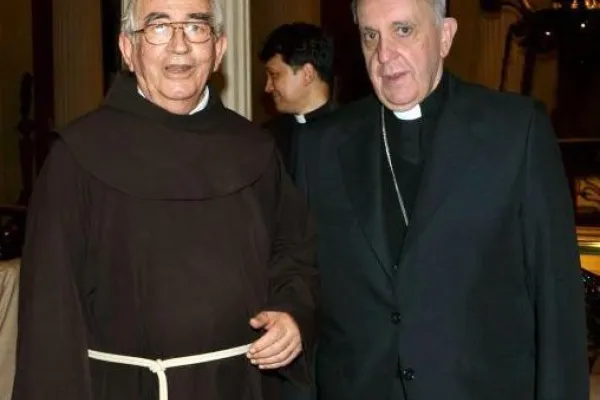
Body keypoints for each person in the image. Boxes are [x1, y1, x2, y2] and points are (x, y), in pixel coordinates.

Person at [12, 0, 318, 399]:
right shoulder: (77, 157)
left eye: (196, 27)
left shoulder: (254, 149)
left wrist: (290, 313)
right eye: (158, 27)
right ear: (128, 48)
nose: (179, 45)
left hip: (242, 387)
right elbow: (49, 317)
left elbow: (294, 252)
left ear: (219, 48)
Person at [297, 0, 589, 399]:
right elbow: (303, 290)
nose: (384, 55)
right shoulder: (320, 146)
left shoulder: (515, 131)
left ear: (445, 36)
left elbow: (557, 296)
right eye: (370, 35)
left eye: (403, 30)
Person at [259, 22, 335, 181]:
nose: (268, 87)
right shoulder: (267, 138)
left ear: (307, 74)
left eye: (274, 75)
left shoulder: (353, 135)